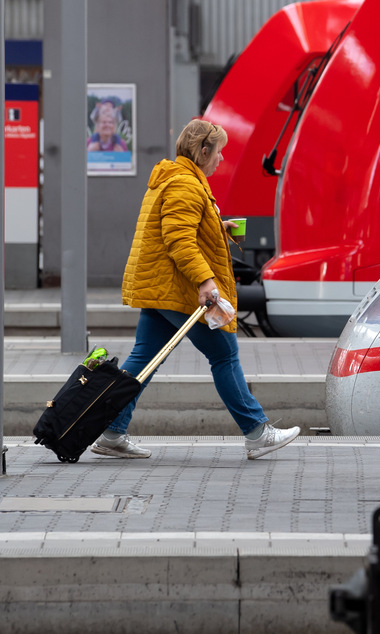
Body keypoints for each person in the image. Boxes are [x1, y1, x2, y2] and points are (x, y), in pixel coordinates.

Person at [92, 119, 300, 460]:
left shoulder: (174, 179)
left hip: (160, 286)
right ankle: (257, 432)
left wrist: (217, 227)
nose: (221, 159)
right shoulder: (185, 185)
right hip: (177, 288)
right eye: (218, 152)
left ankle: (112, 432)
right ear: (203, 151)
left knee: (143, 359)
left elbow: (177, 226)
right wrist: (205, 282)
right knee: (224, 354)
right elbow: (179, 240)